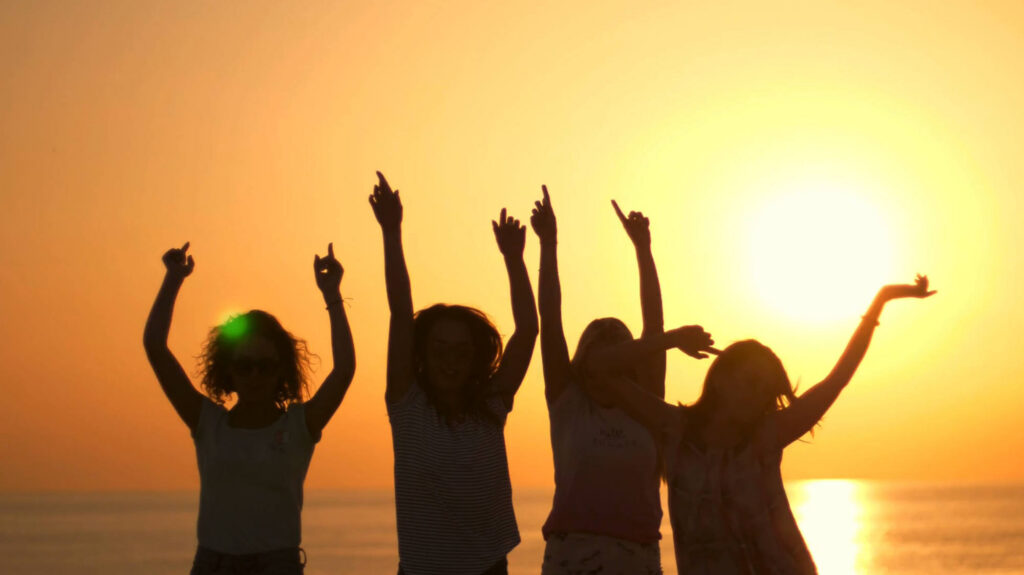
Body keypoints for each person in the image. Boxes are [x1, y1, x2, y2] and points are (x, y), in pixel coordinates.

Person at [598, 274, 936, 574]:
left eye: (766, 390)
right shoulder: (675, 428)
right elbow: (598, 369)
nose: (758, 396)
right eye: (750, 382)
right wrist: (672, 339)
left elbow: (838, 378)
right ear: (721, 380)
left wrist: (881, 299)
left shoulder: (767, 436)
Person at [143, 241, 355, 575]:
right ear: (229, 370)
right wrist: (173, 278)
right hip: (213, 566)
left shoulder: (299, 427)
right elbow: (155, 347)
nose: (255, 375)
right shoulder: (208, 423)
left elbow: (344, 371)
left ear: (280, 371)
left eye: (265, 366)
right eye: (245, 366)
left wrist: (332, 294)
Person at [369, 172, 538, 575]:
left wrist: (514, 259)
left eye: (461, 352)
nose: (450, 361)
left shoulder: (491, 406)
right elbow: (400, 311)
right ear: (423, 355)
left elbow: (529, 330)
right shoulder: (408, 406)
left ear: (475, 358)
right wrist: (391, 232)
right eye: (439, 350)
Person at [531, 187, 707, 574]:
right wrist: (548, 244)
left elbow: (654, 325)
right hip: (571, 555)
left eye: (621, 351)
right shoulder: (567, 399)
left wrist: (643, 248)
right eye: (602, 350)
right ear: (585, 360)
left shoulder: (645, 402)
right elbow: (550, 318)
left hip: (637, 555)